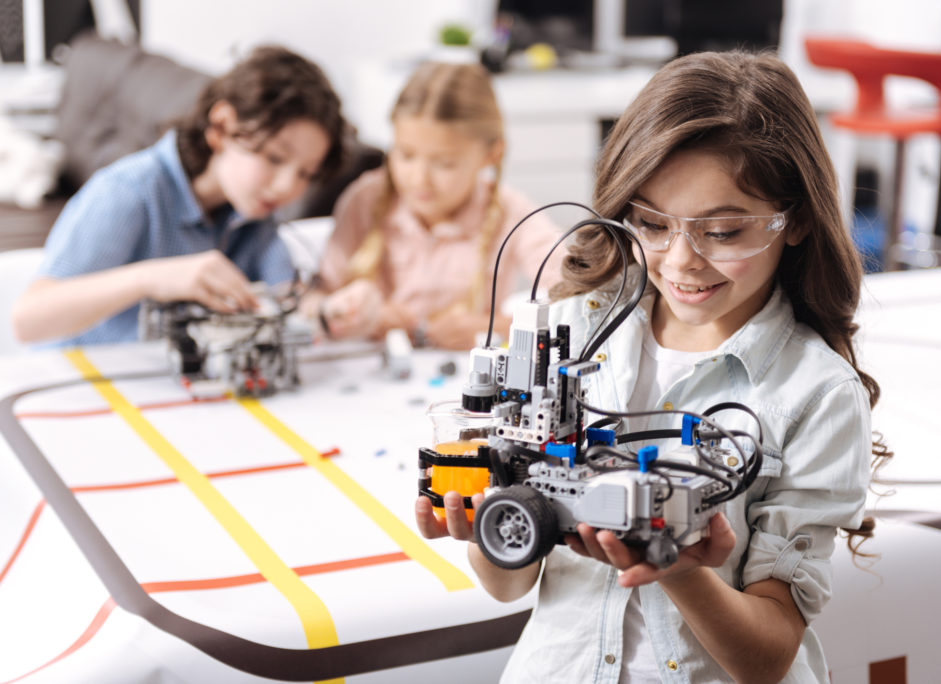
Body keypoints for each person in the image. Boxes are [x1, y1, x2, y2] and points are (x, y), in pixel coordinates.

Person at [416, 50, 892, 682]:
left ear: (797, 220)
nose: (681, 261)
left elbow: (768, 656)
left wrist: (681, 569)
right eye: (650, 223)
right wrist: (490, 525)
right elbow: (510, 588)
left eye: (723, 232)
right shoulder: (574, 329)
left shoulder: (814, 393)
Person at [11, 45, 346, 346]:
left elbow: (289, 295)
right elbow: (28, 320)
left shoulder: (254, 212)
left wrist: (333, 308)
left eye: (306, 173)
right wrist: (152, 278)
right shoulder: (129, 192)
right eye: (273, 158)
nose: (288, 186)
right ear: (222, 126)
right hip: (82, 386)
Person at [306, 61, 563, 350]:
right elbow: (311, 301)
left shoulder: (512, 213)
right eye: (405, 155)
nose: (419, 179)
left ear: (492, 154)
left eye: (445, 164)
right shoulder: (364, 199)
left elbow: (578, 297)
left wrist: (502, 328)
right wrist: (336, 310)